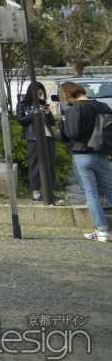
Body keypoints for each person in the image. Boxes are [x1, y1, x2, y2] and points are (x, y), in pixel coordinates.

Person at [58, 81, 112, 242]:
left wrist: (63, 122)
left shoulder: (74, 109)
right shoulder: (103, 106)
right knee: (110, 189)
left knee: (91, 193)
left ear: (68, 95)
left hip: (82, 154)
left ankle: (102, 231)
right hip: (101, 153)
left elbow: (71, 134)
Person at [15, 81, 58, 201]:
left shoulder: (43, 104)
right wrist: (35, 112)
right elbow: (21, 120)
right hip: (33, 138)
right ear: (31, 93)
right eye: (38, 93)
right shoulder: (23, 104)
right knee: (35, 164)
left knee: (50, 164)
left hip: (48, 137)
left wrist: (48, 113)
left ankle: (50, 191)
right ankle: (36, 192)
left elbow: (52, 123)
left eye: (41, 93)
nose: (40, 95)